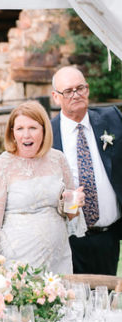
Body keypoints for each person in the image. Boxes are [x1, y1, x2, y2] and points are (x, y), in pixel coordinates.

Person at [0, 101, 85, 275]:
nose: (26, 135)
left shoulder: (58, 159)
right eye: (20, 129)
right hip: (17, 262)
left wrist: (74, 202)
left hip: (58, 260)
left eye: (33, 128)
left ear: (44, 130)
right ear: (12, 133)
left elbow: (70, 213)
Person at [51, 66, 122, 275]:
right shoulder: (48, 134)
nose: (76, 95)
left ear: (87, 90)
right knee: (72, 302)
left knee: (105, 300)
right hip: (68, 238)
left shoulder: (112, 118)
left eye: (80, 88)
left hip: (108, 236)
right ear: (56, 97)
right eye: (68, 91)